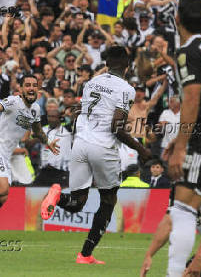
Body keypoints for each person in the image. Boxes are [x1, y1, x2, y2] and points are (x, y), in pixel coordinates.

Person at [40, 45, 151, 264]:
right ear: (127, 66)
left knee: (77, 202)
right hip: (102, 148)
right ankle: (85, 254)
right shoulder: (126, 89)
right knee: (108, 201)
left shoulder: (91, 83)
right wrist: (141, 149)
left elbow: (78, 112)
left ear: (107, 64)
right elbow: (116, 127)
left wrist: (76, 139)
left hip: (80, 144)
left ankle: (56, 196)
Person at [163, 0, 201, 276]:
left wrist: (181, 146)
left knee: (184, 209)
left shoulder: (187, 52)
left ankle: (178, 271)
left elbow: (193, 99)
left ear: (176, 20)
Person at [0, 75, 60, 240]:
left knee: (2, 195)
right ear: (21, 89)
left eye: (35, 85)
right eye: (27, 85)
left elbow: (38, 131)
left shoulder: (35, 110)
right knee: (3, 189)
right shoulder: (13, 101)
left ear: (38, 89)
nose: (31, 88)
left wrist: (47, 142)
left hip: (5, 155)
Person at [33, 109, 72, 187]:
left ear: (59, 118)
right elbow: (28, 142)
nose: (51, 119)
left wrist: (69, 115)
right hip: (44, 171)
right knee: (36, 195)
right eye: (49, 116)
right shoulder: (42, 131)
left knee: (61, 197)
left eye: (54, 117)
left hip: (61, 171)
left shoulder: (68, 131)